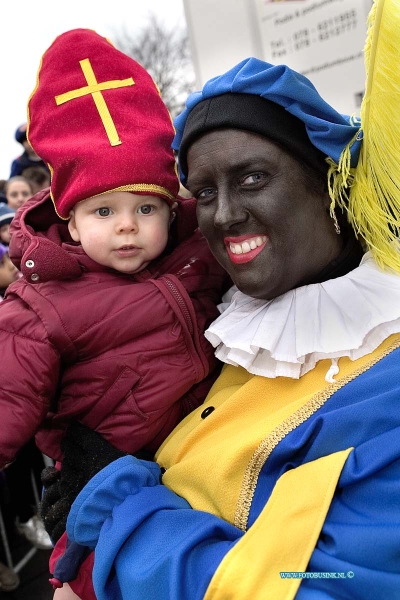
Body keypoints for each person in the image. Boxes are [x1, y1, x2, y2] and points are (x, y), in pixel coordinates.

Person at [41, 1, 400, 599]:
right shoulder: (224, 323)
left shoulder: (387, 381)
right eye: (203, 191)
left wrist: (119, 512)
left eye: (254, 177)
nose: (226, 214)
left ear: (330, 179)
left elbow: (322, 584)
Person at [0, 28, 227, 595]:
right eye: (104, 210)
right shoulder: (42, 304)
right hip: (99, 487)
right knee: (89, 582)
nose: (127, 224)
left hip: (203, 463)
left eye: (145, 206)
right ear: (70, 220)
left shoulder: (197, 255)